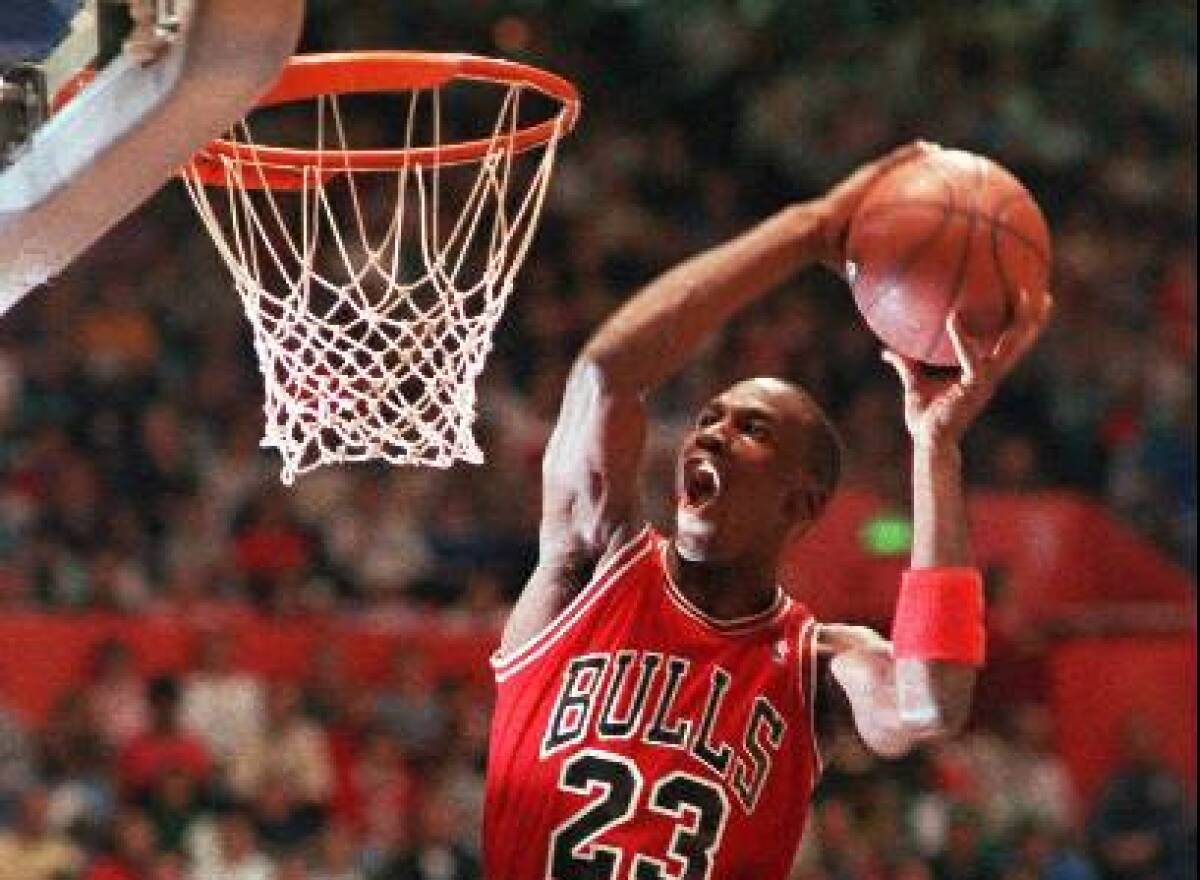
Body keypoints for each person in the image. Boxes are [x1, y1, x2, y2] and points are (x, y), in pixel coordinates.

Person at [482, 141, 1052, 879]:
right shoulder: (592, 569)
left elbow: (932, 703)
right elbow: (604, 377)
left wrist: (935, 449)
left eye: (751, 429)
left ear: (803, 500)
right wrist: (808, 228)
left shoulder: (816, 665)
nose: (712, 433)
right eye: (709, 419)